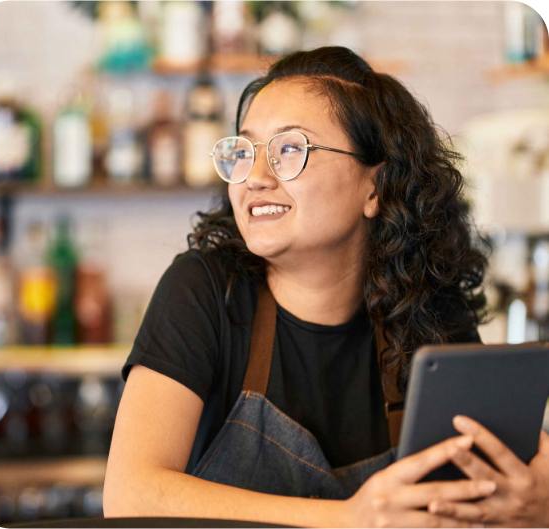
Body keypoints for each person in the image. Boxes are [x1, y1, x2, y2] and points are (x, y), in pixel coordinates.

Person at [103, 47, 549, 528]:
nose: (254, 178)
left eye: (290, 149)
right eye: (245, 152)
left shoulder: (429, 309)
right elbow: (131, 493)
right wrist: (349, 518)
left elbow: (476, 492)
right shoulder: (206, 290)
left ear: (374, 188)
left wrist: (532, 506)